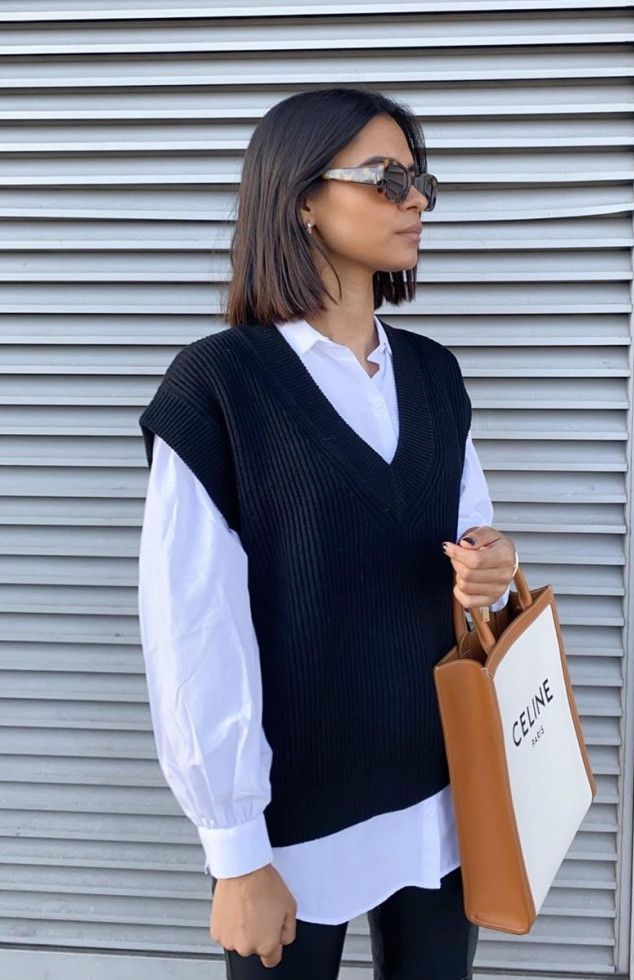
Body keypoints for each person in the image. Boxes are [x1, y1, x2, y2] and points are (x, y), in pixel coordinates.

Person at [137, 87, 518, 979]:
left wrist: (492, 568)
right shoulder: (219, 389)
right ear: (302, 197)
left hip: (441, 796)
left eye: (420, 180)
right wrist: (236, 851)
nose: (416, 200)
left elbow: (473, 541)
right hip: (295, 823)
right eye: (387, 179)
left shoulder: (432, 374)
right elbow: (193, 630)